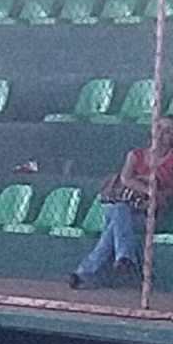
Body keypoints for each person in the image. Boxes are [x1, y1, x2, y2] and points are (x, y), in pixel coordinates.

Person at [70, 117, 173, 289]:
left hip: (152, 214)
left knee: (114, 225)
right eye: (159, 128)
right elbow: (126, 179)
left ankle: (88, 271)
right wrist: (149, 190)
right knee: (119, 210)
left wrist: (158, 196)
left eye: (168, 131)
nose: (162, 134)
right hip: (127, 207)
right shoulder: (136, 155)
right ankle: (123, 259)